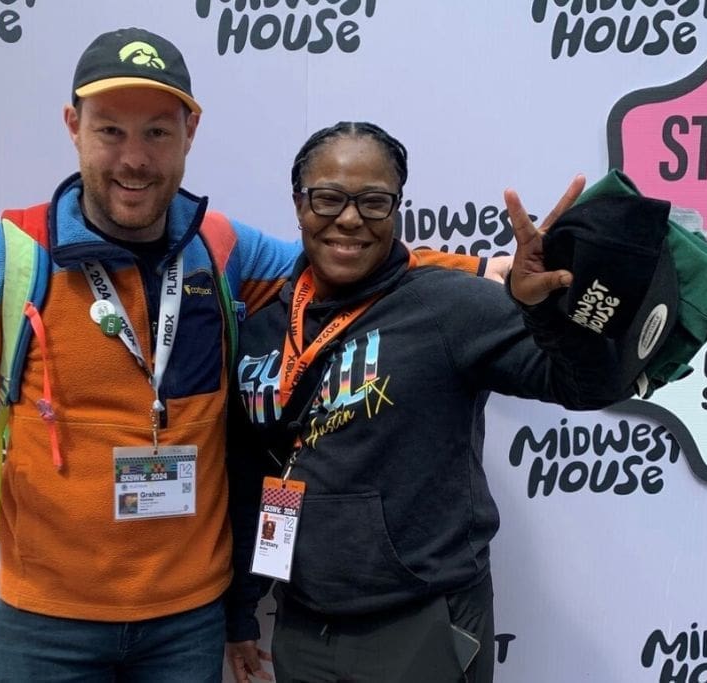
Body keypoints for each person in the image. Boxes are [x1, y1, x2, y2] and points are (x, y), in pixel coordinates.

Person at [0, 27, 500, 682]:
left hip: (186, 619)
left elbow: (351, 266)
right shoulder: (16, 251)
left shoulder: (220, 245)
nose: (134, 159)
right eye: (111, 131)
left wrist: (485, 270)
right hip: (49, 621)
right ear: (73, 126)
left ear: (189, 132)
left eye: (156, 133)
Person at [223, 122, 638, 683]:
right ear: (298, 204)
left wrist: (547, 312)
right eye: (327, 198)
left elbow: (583, 386)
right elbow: (256, 479)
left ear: (397, 208)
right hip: (302, 627)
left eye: (374, 201)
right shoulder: (266, 330)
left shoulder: (450, 308)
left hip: (421, 623)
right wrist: (241, 610)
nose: (349, 219)